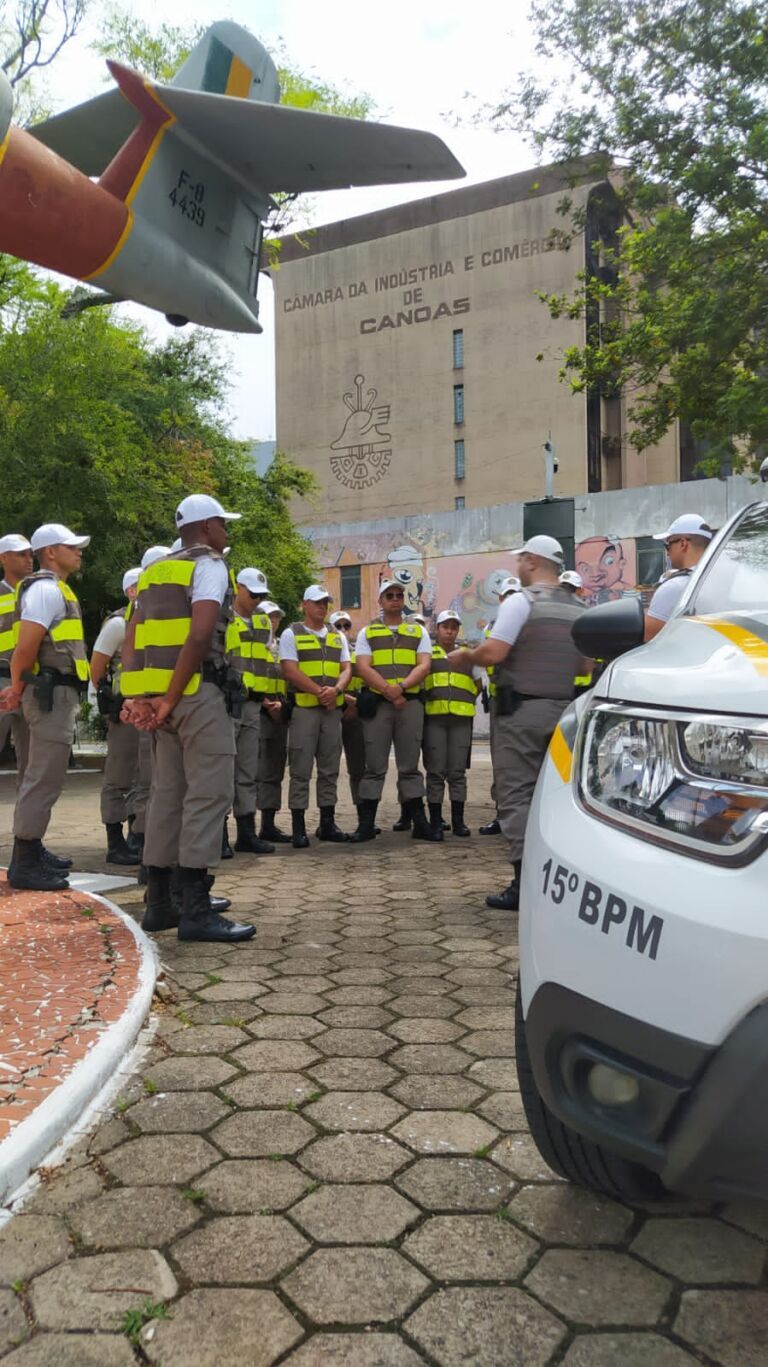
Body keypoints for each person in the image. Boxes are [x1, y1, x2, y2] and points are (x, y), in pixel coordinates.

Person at [120, 493, 254, 943]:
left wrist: (141, 696)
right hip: (197, 697)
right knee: (208, 795)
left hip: (163, 701)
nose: (226, 532)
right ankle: (196, 909)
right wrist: (172, 697)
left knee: (168, 796)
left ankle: (160, 903)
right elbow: (200, 635)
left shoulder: (155, 572)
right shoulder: (209, 566)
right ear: (207, 526)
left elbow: (133, 639)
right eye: (223, 524)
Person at [449, 535, 587, 911]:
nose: (518, 567)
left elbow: (494, 653)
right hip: (565, 715)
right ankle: (559, 879)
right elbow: (585, 664)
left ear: (531, 561)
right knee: (556, 797)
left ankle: (525, 883)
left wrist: (467, 656)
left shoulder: (520, 603)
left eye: (520, 560)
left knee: (517, 796)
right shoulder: (579, 608)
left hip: (522, 715)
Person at [0, 524, 91, 891]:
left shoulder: (53, 588)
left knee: (41, 775)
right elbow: (25, 648)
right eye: (71, 546)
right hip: (48, 695)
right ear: (50, 552)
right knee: (42, 777)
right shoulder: (45, 590)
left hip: (53, 694)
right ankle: (24, 860)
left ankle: (31, 848)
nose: (78, 551)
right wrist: (16, 688)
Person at [353, 578, 437, 842]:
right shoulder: (367, 632)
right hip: (379, 706)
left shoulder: (418, 631)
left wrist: (400, 688)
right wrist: (388, 691)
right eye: (389, 595)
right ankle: (366, 825)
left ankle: (420, 824)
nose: (395, 599)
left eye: (399, 595)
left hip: (408, 704)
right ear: (380, 600)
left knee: (410, 766)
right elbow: (363, 667)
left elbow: (424, 665)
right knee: (374, 766)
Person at [279, 585, 351, 847]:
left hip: (331, 711)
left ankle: (327, 823)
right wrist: (320, 692)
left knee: (330, 768)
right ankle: (298, 828)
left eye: (325, 602)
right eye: (317, 602)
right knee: (300, 769)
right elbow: (289, 670)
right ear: (305, 604)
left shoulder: (337, 636)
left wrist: (337, 690)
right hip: (305, 711)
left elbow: (346, 668)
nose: (322, 607)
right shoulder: (292, 633)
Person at [90, 567, 145, 865]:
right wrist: (112, 699)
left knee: (142, 776)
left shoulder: (151, 621)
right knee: (119, 775)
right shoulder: (117, 624)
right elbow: (96, 668)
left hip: (146, 707)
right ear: (131, 591)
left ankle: (137, 836)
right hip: (124, 710)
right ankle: (115, 842)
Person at [225, 568, 276, 856]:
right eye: (253, 594)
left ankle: (246, 833)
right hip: (227, 704)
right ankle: (218, 835)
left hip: (254, 704)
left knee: (247, 771)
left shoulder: (262, 621)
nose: (257, 600)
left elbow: (266, 661)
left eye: (261, 596)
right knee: (222, 772)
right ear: (238, 588)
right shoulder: (223, 617)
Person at [423, 609, 479, 839]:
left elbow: (477, 685)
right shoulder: (427, 654)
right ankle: (436, 822)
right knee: (435, 771)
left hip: (461, 720)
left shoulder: (467, 655)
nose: (449, 631)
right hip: (434, 719)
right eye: (445, 627)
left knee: (457, 772)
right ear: (437, 629)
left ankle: (458, 822)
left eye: (453, 627)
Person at [479, 574, 521, 837]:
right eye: (507, 596)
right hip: (501, 702)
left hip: (527, 700)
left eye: (515, 596)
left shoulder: (532, 626)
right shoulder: (492, 628)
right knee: (501, 760)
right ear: (500, 599)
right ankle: (502, 814)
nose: (510, 600)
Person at [645, 514, 714, 640]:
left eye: (668, 545)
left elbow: (648, 640)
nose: (668, 553)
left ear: (683, 544)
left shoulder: (674, 587)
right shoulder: (723, 580)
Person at [256, 600, 291, 843]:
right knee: (252, 771)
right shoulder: (253, 645)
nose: (273, 621)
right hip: (257, 711)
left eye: (276, 616)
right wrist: (264, 702)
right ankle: (245, 826)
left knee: (274, 770)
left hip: (280, 713)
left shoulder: (282, 647)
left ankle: (268, 825)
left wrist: (282, 706)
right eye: (269, 616)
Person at [0, 534, 33, 784]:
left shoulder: (37, 592)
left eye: (30, 554)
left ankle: (27, 806)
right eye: (22, 554)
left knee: (32, 761)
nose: (29, 559)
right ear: (4, 558)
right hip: (1, 680)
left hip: (31, 682)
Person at [329, 609, 367, 811]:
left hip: (355, 714)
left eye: (346, 625)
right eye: (338, 626)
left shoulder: (360, 655)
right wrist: (346, 701)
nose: (342, 629)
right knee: (329, 768)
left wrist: (356, 704)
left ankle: (363, 813)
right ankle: (328, 816)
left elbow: (367, 686)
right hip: (333, 710)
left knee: (358, 766)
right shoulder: (325, 653)